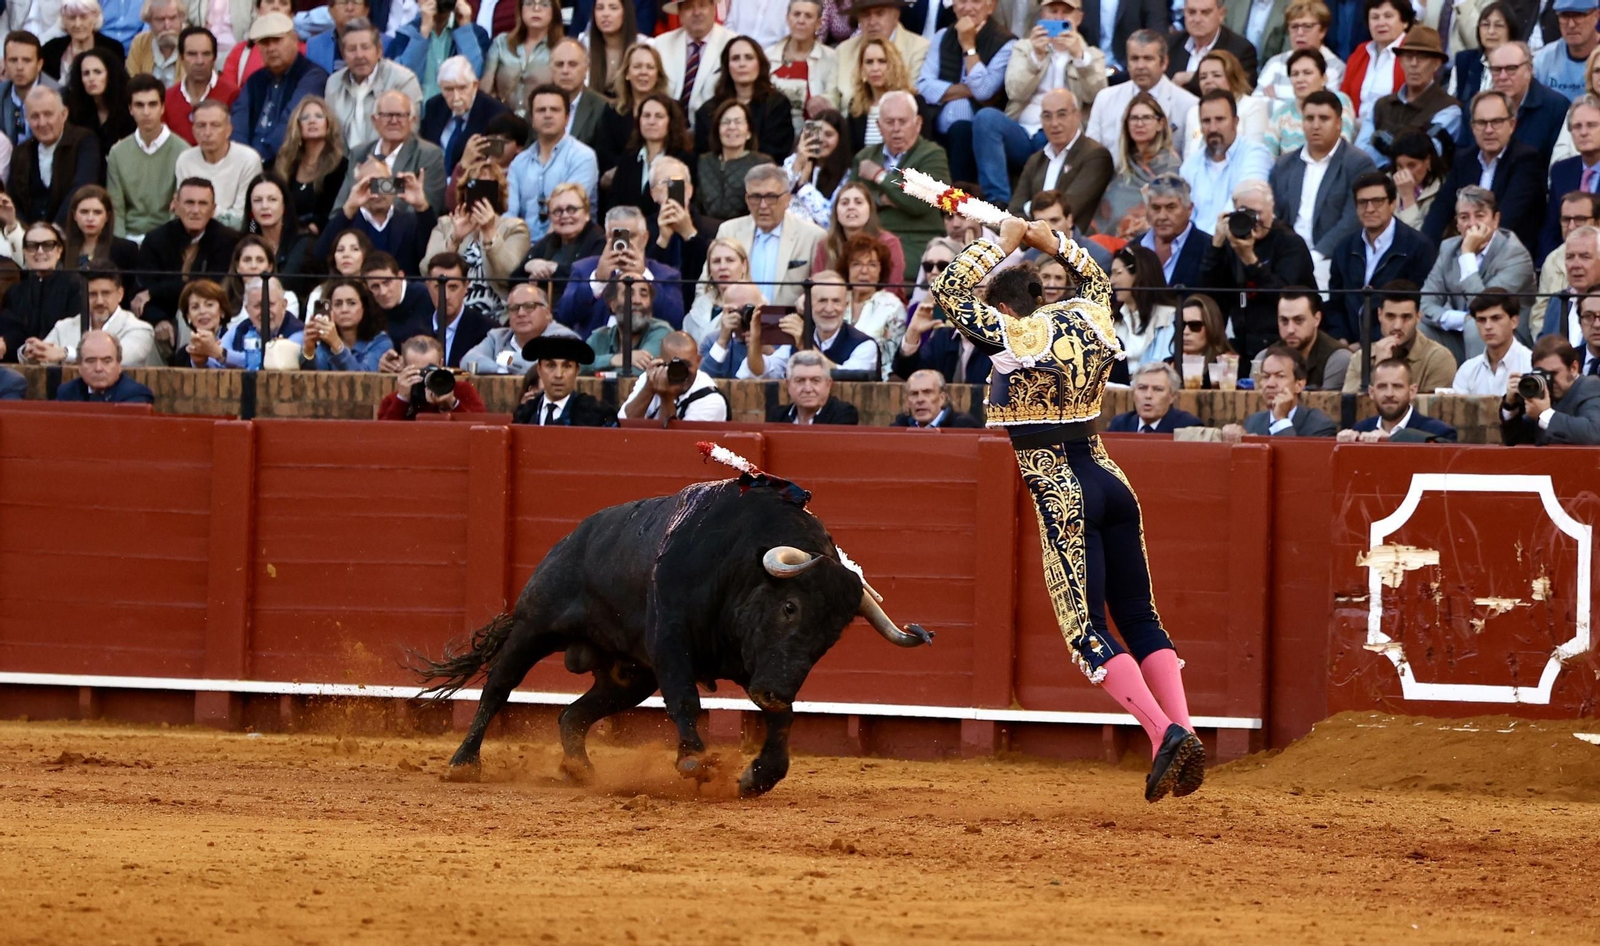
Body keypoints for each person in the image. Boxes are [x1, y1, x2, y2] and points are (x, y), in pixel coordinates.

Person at [930, 212, 1204, 799]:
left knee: (1088, 633)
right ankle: (1183, 729)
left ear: (1004, 308)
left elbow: (949, 291)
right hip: (1110, 478)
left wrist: (999, 243)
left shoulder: (1013, 337)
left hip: (1063, 490)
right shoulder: (1089, 314)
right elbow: (1096, 276)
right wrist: (1047, 240)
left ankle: (1164, 733)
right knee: (1140, 616)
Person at [1201, 179, 1315, 361]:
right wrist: (1216, 245)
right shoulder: (1233, 242)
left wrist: (1250, 259)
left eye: (1258, 213)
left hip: (1283, 342)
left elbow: (1285, 296)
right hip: (1242, 340)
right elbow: (1208, 292)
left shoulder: (1290, 243)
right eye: (1245, 212)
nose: (1253, 220)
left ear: (1271, 209)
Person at [1419, 185, 1536, 363]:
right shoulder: (1448, 248)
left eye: (1480, 216)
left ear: (1495, 220)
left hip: (1509, 340)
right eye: (1464, 217)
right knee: (1419, 328)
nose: (1472, 224)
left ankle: (1481, 382)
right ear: (1457, 224)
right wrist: (1462, 319)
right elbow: (1426, 303)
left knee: (1477, 326)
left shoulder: (1515, 254)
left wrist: (1467, 254)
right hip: (1461, 336)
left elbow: (1487, 308)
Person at [1268, 90, 1376, 278]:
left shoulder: (1358, 163)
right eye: (1309, 118)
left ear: (1339, 123)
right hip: (1288, 257)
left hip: (1334, 259)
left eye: (1324, 118)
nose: (1315, 125)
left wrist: (1314, 257)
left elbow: (1353, 219)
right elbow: (1273, 215)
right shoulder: (1284, 164)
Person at [1423, 90, 1544, 251]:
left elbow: (1509, 218)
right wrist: (1425, 250)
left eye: (1496, 122)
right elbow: (1440, 209)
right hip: (1466, 248)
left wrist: (1473, 248)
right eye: (1481, 123)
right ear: (1472, 127)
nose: (1488, 130)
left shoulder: (1526, 160)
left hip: (1508, 252)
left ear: (1512, 125)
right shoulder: (1464, 159)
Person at [1326, 170, 1438, 341]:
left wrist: (1368, 345)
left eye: (1377, 201)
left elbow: (1417, 305)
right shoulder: (1344, 248)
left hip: (1397, 342)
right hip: (1347, 345)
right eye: (1363, 202)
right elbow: (1336, 302)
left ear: (1392, 203)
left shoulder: (1418, 247)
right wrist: (1341, 338)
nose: (1369, 209)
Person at [915, 0, 1017, 186]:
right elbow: (923, 86)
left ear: (991, 6)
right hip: (937, 127)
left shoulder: (1007, 43)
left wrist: (969, 46)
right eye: (962, 1)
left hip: (974, 137)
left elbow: (983, 92)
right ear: (954, 6)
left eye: (976, 1)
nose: (968, 7)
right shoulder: (942, 36)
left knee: (961, 130)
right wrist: (970, 89)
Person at [850, 89, 950, 268]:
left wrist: (879, 176)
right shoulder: (864, 157)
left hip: (917, 243)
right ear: (879, 125)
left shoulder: (933, 155)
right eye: (889, 122)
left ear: (918, 123)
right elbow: (852, 201)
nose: (896, 129)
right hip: (870, 242)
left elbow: (919, 202)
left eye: (903, 121)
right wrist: (881, 199)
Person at [134, 178, 241, 340]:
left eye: (203, 204)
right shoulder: (155, 239)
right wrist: (159, 320)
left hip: (208, 319)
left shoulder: (227, 241)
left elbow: (207, 288)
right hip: (162, 319)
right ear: (175, 206)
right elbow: (141, 293)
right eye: (189, 203)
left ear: (213, 210)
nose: (196, 210)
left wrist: (155, 292)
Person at [426, 159, 529, 321]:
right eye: (475, 186)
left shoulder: (514, 228)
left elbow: (508, 276)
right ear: (465, 192)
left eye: (488, 187)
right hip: (451, 315)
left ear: (498, 193)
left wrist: (489, 232)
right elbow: (427, 270)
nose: (481, 195)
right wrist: (455, 239)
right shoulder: (445, 224)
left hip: (496, 318)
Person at [558, 205, 685, 335]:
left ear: (645, 238)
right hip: (595, 346)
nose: (624, 243)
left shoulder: (666, 274)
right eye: (616, 236)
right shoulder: (583, 268)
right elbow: (564, 316)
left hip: (648, 345)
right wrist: (597, 280)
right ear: (606, 238)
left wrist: (644, 277)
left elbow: (675, 320)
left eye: (631, 236)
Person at [715, 162, 827, 307]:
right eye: (756, 197)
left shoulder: (813, 236)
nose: (763, 205)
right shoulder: (728, 231)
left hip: (789, 319)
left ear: (787, 199)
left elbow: (823, 290)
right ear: (747, 200)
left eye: (771, 197)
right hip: (735, 317)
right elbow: (706, 285)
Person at [229, 12, 329, 165]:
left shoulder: (312, 76)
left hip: (288, 163)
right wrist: (240, 157)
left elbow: (290, 122)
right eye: (264, 43)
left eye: (277, 40)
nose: (271, 48)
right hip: (248, 163)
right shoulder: (255, 79)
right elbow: (239, 122)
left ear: (294, 40)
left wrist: (258, 160)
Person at [1085, 30, 1197, 164]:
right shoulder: (1105, 99)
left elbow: (1191, 159)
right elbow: (1091, 156)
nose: (1140, 66)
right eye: (1134, 58)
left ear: (1164, 62)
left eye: (1148, 59)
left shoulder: (1189, 105)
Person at [505, 83, 598, 242]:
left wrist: (537, 252)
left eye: (554, 110)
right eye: (541, 110)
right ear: (532, 119)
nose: (548, 115)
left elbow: (568, 213)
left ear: (567, 118)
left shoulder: (583, 157)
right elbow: (509, 213)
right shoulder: (519, 162)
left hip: (570, 244)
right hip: (522, 245)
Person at [329, 89, 447, 213]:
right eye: (387, 115)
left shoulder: (428, 154)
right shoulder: (359, 153)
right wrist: (400, 185)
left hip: (403, 225)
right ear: (374, 120)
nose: (394, 121)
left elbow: (430, 209)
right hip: (358, 224)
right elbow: (340, 209)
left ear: (412, 121)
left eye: (400, 115)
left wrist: (371, 187)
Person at [1357, 26, 1460, 166]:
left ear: (1436, 64)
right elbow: (1360, 155)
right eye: (1408, 57)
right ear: (1400, 62)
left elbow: (1423, 156)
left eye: (1422, 58)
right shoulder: (1381, 105)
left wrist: (1386, 145)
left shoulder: (1448, 108)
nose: (1414, 64)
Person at [1005, 89, 1112, 223]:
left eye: (1062, 115)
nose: (1054, 123)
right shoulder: (1036, 159)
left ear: (1077, 115)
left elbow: (1068, 210)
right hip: (1030, 234)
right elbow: (1014, 210)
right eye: (1047, 116)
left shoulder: (1095, 155)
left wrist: (1028, 208)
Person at [319, 160, 439, 275]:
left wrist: (421, 207)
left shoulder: (411, 222)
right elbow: (320, 256)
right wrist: (349, 207)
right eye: (369, 185)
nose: (377, 193)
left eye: (383, 184)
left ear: (394, 186)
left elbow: (431, 258)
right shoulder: (346, 222)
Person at [21, 266, 157, 367]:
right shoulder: (64, 327)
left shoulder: (140, 329)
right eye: (92, 294)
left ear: (120, 294)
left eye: (106, 293)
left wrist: (66, 353)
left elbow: (118, 358)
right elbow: (44, 358)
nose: (99, 301)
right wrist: (31, 352)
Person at [323, 18, 424, 153]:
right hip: (344, 162)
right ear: (343, 54)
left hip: (389, 161)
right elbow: (331, 136)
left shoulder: (403, 80)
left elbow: (409, 135)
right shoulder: (334, 83)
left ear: (379, 50)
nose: (359, 55)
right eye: (352, 49)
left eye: (365, 47)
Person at [1340, 279, 1460, 393]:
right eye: (1390, 316)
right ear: (1379, 314)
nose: (1397, 326)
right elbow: (1350, 404)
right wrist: (1379, 367)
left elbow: (1431, 406)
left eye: (1406, 317)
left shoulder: (1438, 359)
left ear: (1418, 317)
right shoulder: (1360, 358)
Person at [1092, 92, 1181, 237]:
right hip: (1108, 244)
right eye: (1134, 118)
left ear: (1160, 124)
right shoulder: (1122, 168)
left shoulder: (1172, 167)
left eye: (1146, 118)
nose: (1139, 124)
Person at [691, 36, 794, 160]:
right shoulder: (707, 111)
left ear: (760, 64)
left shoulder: (777, 105)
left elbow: (776, 153)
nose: (742, 64)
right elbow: (704, 157)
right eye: (735, 58)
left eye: (749, 58)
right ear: (727, 66)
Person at [1180, 89, 1274, 226]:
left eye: (1220, 119)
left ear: (1235, 122)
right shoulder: (1190, 165)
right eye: (1206, 121)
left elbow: (1245, 204)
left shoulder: (1255, 155)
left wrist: (1215, 237)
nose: (1213, 128)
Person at [108, 75, 185, 241]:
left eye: (152, 104)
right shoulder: (117, 153)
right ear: (130, 109)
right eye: (139, 105)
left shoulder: (183, 151)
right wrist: (120, 244)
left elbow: (179, 209)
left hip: (166, 239)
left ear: (162, 107)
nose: (146, 112)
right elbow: (116, 209)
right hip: (128, 238)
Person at [9, 86, 98, 227]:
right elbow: (13, 201)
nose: (42, 123)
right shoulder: (21, 153)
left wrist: (53, 231)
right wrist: (27, 233)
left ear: (64, 114)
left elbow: (81, 189)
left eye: (48, 114)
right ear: (27, 119)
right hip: (28, 235)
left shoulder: (84, 142)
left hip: (70, 231)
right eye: (35, 116)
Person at [175, 100, 264, 230]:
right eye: (201, 125)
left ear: (228, 130)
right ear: (193, 131)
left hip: (235, 237)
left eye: (215, 125)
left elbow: (241, 221)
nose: (207, 133)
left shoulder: (248, 160)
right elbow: (182, 213)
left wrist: (204, 211)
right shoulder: (185, 159)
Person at [0, 223, 85, 360]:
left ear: (59, 251)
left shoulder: (75, 285)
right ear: (24, 252)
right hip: (21, 363)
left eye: (47, 245)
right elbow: (12, 331)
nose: (40, 251)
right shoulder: (15, 292)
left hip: (63, 363)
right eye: (32, 246)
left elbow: (76, 331)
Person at [603, 92, 694, 218]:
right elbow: (615, 203)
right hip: (625, 228)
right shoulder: (629, 156)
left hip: (665, 226)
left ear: (671, 121)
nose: (651, 122)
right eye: (646, 116)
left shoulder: (682, 160)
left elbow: (676, 208)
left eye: (659, 116)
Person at [1499, 333, 1600, 443]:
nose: (1548, 380)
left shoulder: (1591, 387)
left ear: (1573, 368)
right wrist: (1510, 406)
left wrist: (1545, 414)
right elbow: (1515, 442)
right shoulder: (1542, 395)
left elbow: (1594, 433)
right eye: (1542, 374)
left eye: (1553, 373)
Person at [461, 281, 578, 375]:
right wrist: (500, 369)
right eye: (514, 308)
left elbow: (545, 368)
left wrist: (507, 359)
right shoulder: (497, 337)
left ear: (547, 312)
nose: (521, 313)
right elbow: (468, 360)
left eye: (529, 306)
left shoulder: (564, 337)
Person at [1223, 343, 1339, 437]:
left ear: (1299, 385)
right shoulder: (1253, 422)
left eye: (1280, 376)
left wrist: (1281, 420)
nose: (1270, 384)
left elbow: (1295, 458)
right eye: (1266, 376)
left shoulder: (1320, 425)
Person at [1485, 41, 1569, 167]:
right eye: (1496, 69)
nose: (1503, 77)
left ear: (1529, 70)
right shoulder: (1479, 109)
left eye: (1511, 69)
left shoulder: (1556, 107)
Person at [813, 180, 903, 295]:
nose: (851, 207)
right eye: (844, 203)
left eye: (858, 202)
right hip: (834, 304)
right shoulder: (826, 244)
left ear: (870, 209)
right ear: (836, 211)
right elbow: (815, 287)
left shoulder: (888, 243)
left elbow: (892, 289)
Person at [1263, 47, 1357, 158]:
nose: (1300, 79)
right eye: (1295, 74)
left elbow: (1342, 146)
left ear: (1324, 78)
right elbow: (1267, 156)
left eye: (1307, 73)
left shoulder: (1339, 101)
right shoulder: (1282, 113)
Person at [618, 328, 729, 421]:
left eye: (686, 365)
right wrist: (648, 389)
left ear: (698, 361)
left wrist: (666, 398)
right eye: (674, 365)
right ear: (660, 361)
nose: (680, 371)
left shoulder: (711, 400)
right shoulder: (653, 377)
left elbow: (675, 439)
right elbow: (624, 423)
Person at [1337, 357, 1460, 441]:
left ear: (1412, 391)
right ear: (1371, 392)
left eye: (1397, 386)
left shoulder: (1439, 432)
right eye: (1382, 386)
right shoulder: (1361, 429)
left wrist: (1392, 439)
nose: (1389, 394)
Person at [274, 94, 348, 232]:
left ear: (328, 124)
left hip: (319, 237)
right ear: (297, 125)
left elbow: (333, 215)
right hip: (283, 233)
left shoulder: (340, 166)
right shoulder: (284, 163)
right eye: (305, 117)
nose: (312, 121)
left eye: (319, 116)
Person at [1251, 286, 1350, 389]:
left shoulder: (1337, 359)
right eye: (1284, 320)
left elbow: (1328, 399)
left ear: (1317, 319)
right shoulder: (1264, 358)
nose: (1290, 329)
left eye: (1299, 320)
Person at [420, 55, 506, 173]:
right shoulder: (434, 106)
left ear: (475, 85)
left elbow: (494, 167)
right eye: (448, 89)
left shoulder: (496, 113)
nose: (456, 97)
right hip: (432, 178)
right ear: (440, 88)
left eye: (462, 88)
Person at [1540, 96, 1600, 263]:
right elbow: (1551, 229)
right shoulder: (1561, 171)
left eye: (1591, 125)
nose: (1583, 132)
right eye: (1577, 126)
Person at [695, 100, 774, 227]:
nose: (731, 127)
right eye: (726, 122)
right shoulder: (704, 161)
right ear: (717, 130)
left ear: (749, 132)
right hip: (705, 230)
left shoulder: (762, 163)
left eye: (738, 122)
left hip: (744, 231)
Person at [652, 0, 735, 120]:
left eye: (702, 5)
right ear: (680, 14)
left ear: (713, 9)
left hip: (713, 125)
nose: (696, 12)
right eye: (689, 7)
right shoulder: (661, 45)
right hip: (667, 125)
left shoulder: (732, 45)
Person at [766, 0, 837, 137]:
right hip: (770, 137)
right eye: (796, 14)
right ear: (787, 18)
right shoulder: (768, 56)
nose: (801, 21)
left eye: (808, 16)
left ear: (819, 23)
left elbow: (833, 100)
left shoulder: (831, 59)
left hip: (813, 138)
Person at [480, 0, 560, 118]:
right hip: (503, 119)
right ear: (520, 10)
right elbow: (485, 90)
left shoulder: (561, 49)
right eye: (529, 3)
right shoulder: (501, 43)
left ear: (554, 12)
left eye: (544, 4)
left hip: (541, 120)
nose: (536, 9)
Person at [512, 334, 615, 425]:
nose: (558, 375)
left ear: (576, 371)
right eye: (550, 365)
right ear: (539, 370)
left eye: (567, 366)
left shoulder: (598, 415)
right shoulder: (525, 414)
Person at [841, 231, 907, 373]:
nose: (864, 271)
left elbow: (892, 361)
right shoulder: (835, 299)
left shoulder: (892, 307)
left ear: (880, 271)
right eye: (856, 264)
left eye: (872, 265)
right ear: (847, 270)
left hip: (876, 381)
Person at [377, 333, 486, 418]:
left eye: (430, 369)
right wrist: (402, 400)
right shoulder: (392, 400)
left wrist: (451, 404)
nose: (425, 376)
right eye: (418, 371)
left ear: (441, 364)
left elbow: (480, 429)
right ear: (404, 368)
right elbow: (383, 435)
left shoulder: (461, 390)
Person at [1108, 245, 1177, 379]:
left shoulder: (1169, 317)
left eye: (1118, 273)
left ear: (1139, 273)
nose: (1112, 281)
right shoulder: (1112, 319)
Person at [1256, 0, 1346, 102]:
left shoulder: (1336, 68)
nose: (1299, 33)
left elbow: (1323, 107)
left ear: (1322, 31)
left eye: (1307, 26)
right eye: (1294, 27)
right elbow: (1256, 104)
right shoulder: (1275, 63)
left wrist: (1275, 102)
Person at [522, 181, 603, 290]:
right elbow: (514, 278)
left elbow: (586, 279)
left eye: (572, 209)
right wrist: (529, 265)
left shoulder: (599, 241)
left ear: (587, 213)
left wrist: (553, 268)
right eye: (557, 211)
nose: (564, 216)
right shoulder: (551, 239)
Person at [298, 277, 392, 369]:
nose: (344, 310)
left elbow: (363, 376)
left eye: (352, 303)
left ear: (364, 307)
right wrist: (309, 350)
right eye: (338, 304)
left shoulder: (380, 341)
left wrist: (337, 346)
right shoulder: (326, 344)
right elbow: (313, 377)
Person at [1451, 288, 1534, 393]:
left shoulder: (1531, 365)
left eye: (1496, 318)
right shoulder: (1467, 370)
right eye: (1481, 320)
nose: (1488, 326)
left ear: (1514, 322)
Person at [1341, 0, 1413, 119]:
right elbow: (1344, 97)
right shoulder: (1361, 52)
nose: (1380, 23)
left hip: (1394, 126)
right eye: (1375, 17)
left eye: (1388, 16)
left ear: (1405, 21)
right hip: (1354, 125)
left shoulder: (1413, 53)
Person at [421, 251, 493, 367]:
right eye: (438, 287)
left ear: (466, 287)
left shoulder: (487, 331)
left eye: (453, 287)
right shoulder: (415, 329)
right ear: (428, 287)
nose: (445, 296)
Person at [584, 278, 671, 373]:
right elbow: (576, 365)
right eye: (628, 293)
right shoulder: (599, 337)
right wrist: (613, 359)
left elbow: (638, 371)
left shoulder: (661, 332)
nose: (637, 301)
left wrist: (599, 369)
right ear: (612, 305)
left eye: (644, 295)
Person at [844, 36, 915, 152]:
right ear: (862, 69)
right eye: (869, 62)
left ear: (894, 66)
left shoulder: (913, 102)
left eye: (882, 61)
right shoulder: (856, 106)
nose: (875, 68)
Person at [1138, 174, 1210, 289]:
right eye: (1155, 208)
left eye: (1171, 207)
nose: (1162, 216)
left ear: (1189, 209)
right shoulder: (1133, 248)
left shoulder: (1210, 249)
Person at [62, 46, 133, 159]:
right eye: (86, 73)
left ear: (110, 74)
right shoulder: (74, 108)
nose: (91, 78)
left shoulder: (129, 105)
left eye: (97, 72)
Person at [784, 107, 851, 228]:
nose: (821, 139)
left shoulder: (847, 175)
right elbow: (776, 196)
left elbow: (830, 220)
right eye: (817, 133)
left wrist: (803, 186)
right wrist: (798, 163)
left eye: (828, 135)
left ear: (840, 139)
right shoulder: (792, 161)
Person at [1536, 224, 1600, 345]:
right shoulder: (1558, 300)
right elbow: (1544, 348)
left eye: (1585, 257)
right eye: (1570, 257)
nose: (1575, 265)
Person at [221, 275, 304, 367]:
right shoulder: (239, 330)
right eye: (257, 306)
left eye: (270, 304)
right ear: (247, 309)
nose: (265, 312)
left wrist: (224, 355)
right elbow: (215, 359)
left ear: (284, 305)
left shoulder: (298, 332)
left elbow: (274, 361)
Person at [64, 184, 140, 281]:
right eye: (84, 212)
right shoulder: (62, 249)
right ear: (74, 215)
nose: (90, 218)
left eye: (97, 212)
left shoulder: (126, 250)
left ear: (107, 216)